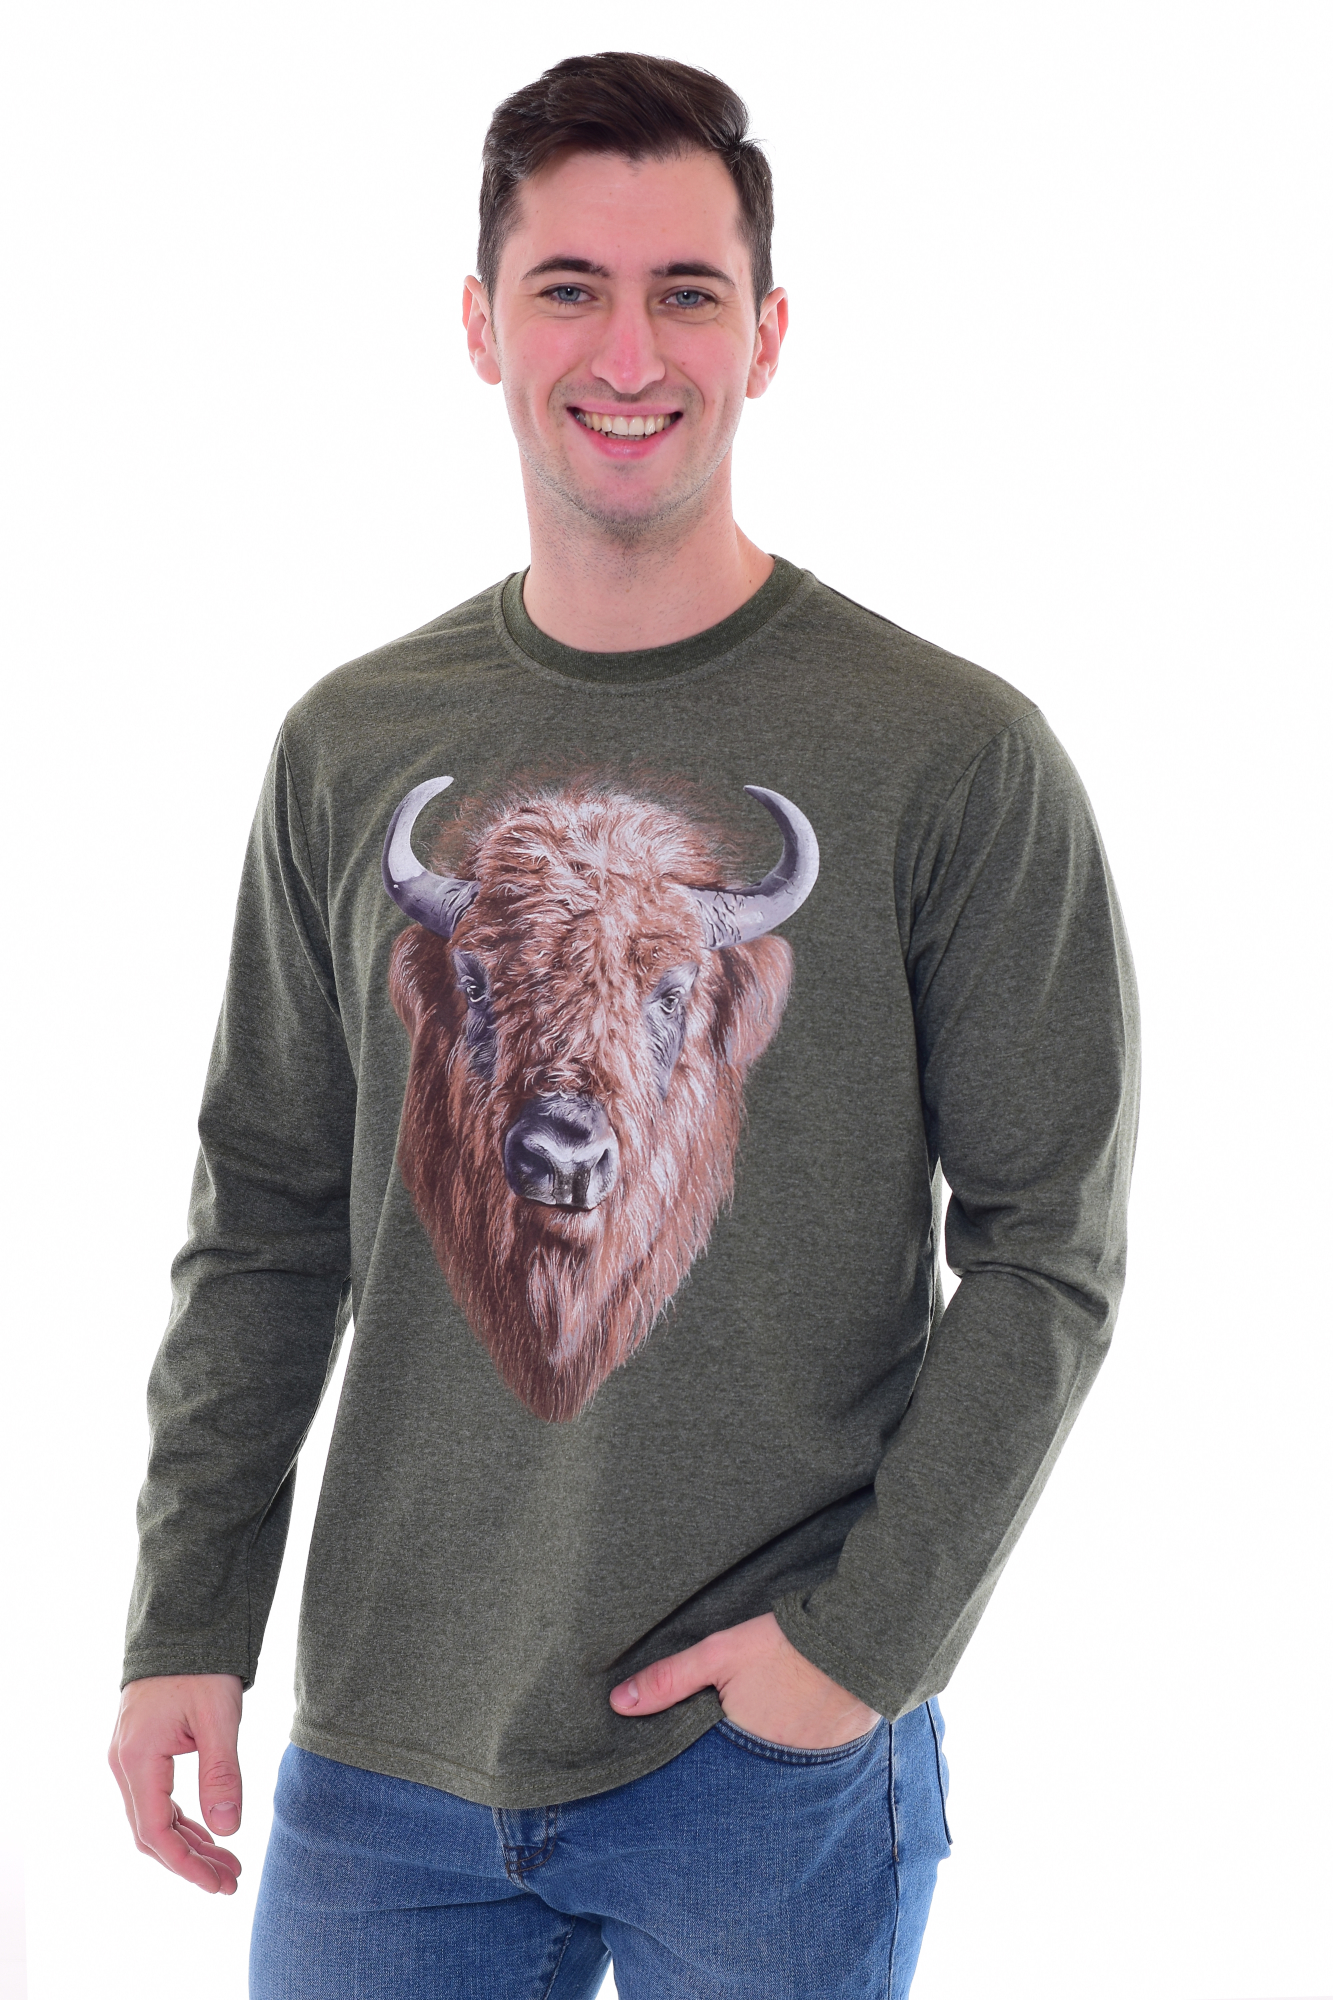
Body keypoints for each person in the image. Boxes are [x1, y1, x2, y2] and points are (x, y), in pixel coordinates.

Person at [108, 49, 1140, 2000]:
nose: (628, 350)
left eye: (686, 291)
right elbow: (265, 1217)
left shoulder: (949, 753)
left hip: (761, 1764)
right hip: (385, 1743)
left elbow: (1046, 1245)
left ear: (767, 335)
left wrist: (860, 1651)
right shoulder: (350, 747)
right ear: (478, 323)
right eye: (568, 286)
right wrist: (187, 1620)